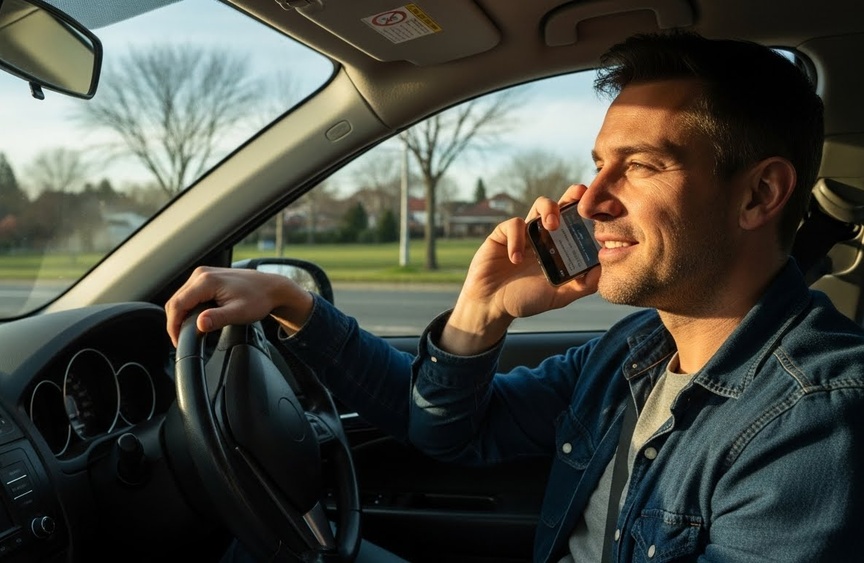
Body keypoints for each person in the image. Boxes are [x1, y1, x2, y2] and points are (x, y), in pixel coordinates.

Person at [166, 30, 864, 562]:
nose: (590, 200)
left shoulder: (816, 416)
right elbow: (450, 431)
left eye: (643, 166)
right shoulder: (640, 349)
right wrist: (480, 310)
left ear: (759, 194)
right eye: (597, 165)